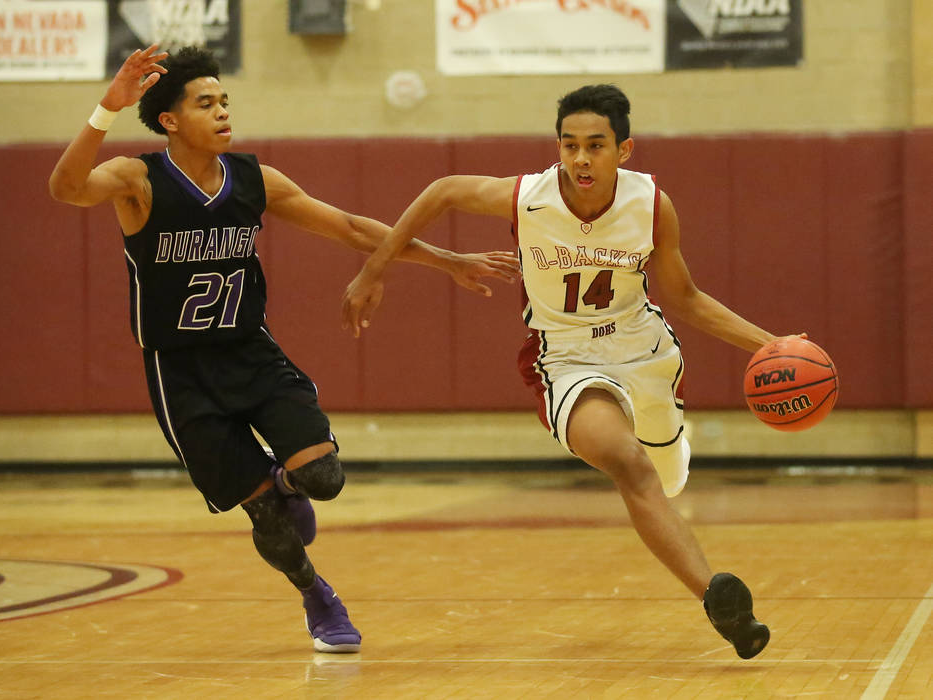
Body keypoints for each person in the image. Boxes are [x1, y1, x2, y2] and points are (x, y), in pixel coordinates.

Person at [48, 45, 518, 653]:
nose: (222, 113)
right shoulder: (136, 180)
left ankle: (286, 482)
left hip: (251, 353)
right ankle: (316, 596)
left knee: (322, 477)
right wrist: (106, 108)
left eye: (225, 101)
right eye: (205, 104)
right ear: (169, 120)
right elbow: (64, 188)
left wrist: (447, 261)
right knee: (266, 517)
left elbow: (349, 226)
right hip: (180, 371)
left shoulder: (254, 179)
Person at [341, 84, 795, 659]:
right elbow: (443, 192)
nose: (580, 159)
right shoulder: (527, 198)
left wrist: (770, 344)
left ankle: (668, 449)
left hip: (645, 352)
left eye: (595, 146)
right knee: (628, 463)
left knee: (667, 472)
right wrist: (375, 269)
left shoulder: (652, 204)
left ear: (624, 151)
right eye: (569, 144)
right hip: (566, 357)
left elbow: (688, 297)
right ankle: (717, 597)